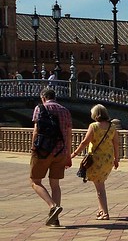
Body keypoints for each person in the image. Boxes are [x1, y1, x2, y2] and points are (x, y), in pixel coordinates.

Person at [30, 87, 72, 228]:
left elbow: (36, 130)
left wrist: (33, 148)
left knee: (35, 182)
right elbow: (69, 134)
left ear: (43, 97)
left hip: (43, 151)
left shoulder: (40, 108)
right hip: (61, 152)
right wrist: (68, 154)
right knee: (55, 185)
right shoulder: (65, 111)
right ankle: (55, 220)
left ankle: (52, 206)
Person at [71, 104, 119, 220]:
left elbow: (85, 142)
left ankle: (105, 213)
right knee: (99, 183)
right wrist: (116, 159)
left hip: (96, 160)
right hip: (107, 159)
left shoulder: (93, 126)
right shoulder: (112, 127)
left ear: (95, 114)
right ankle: (100, 210)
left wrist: (74, 154)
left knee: (100, 188)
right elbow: (116, 144)